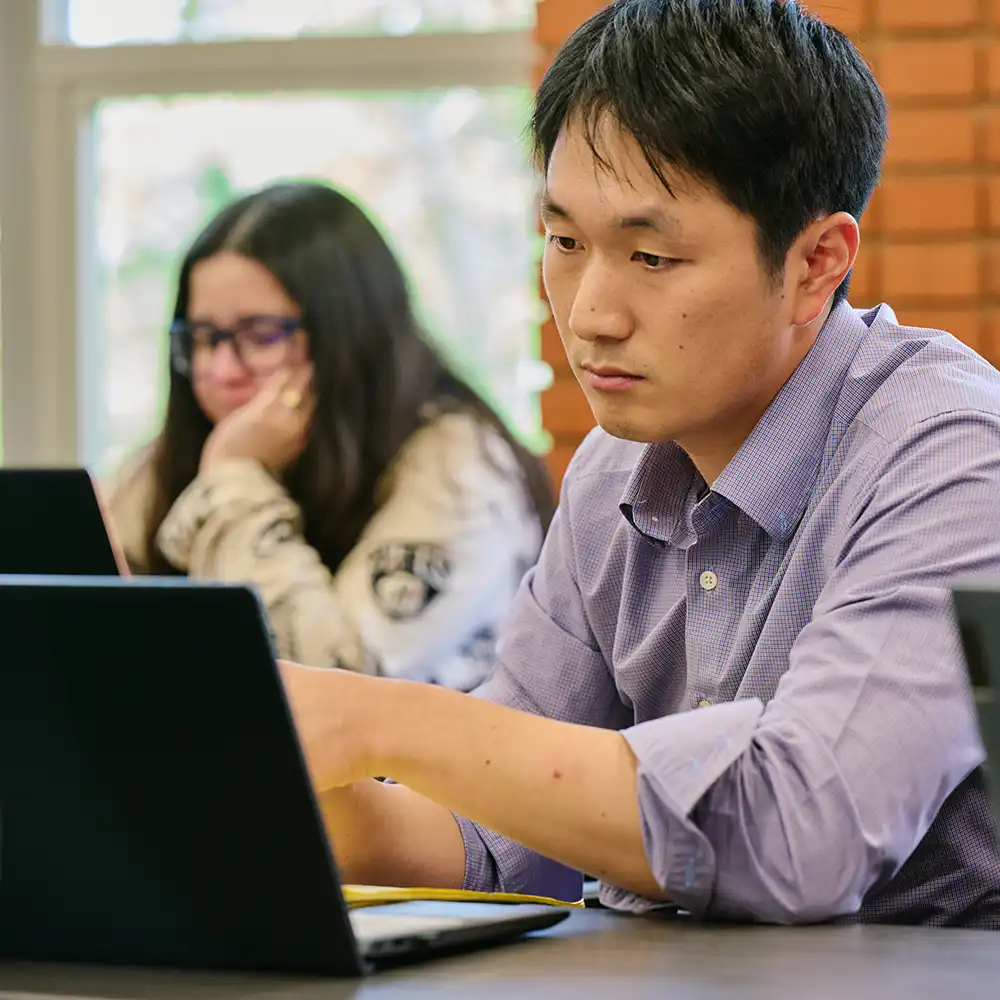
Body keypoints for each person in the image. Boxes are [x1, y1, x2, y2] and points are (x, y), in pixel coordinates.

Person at [278, 0, 1000, 927]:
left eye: (652, 256)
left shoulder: (953, 456)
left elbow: (802, 839)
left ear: (819, 261)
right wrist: (239, 789)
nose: (588, 315)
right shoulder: (615, 472)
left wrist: (385, 722)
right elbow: (497, 839)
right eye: (566, 242)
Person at [107, 181, 554, 691]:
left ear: (344, 334)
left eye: (260, 335)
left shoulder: (457, 465)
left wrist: (234, 482)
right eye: (205, 337)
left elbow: (339, 684)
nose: (222, 369)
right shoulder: (185, 451)